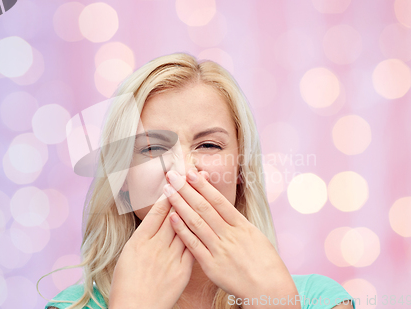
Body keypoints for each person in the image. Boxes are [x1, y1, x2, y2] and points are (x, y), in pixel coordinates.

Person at [44, 53, 356, 309]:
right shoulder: (68, 306)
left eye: (209, 145)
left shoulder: (321, 300)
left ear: (239, 169)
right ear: (121, 177)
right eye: (152, 148)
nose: (181, 171)